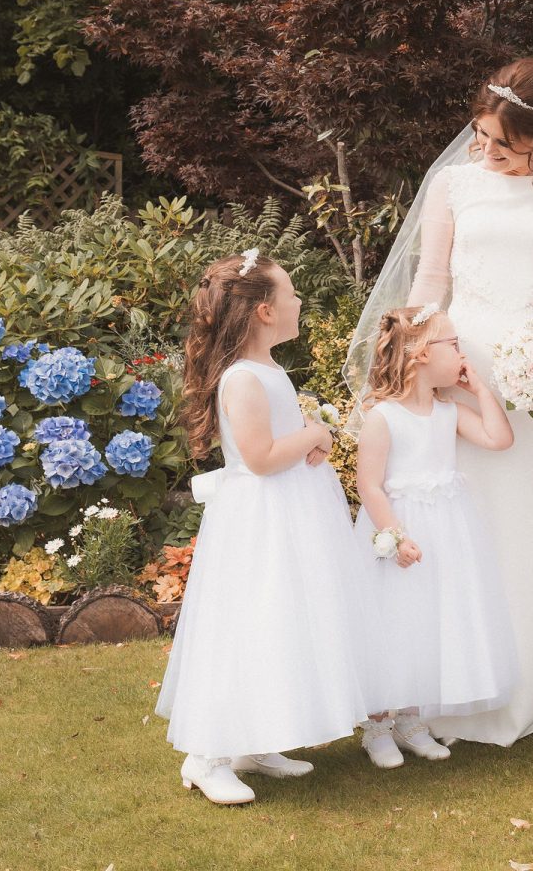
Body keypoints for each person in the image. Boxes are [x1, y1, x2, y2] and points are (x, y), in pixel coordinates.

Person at [346, 58, 533, 745]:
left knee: (531, 516)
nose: (484, 148)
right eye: (480, 133)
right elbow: (430, 276)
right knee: (459, 517)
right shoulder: (454, 184)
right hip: (458, 362)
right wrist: (417, 358)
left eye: (501, 141)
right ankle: (449, 687)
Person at [158, 250, 369, 805]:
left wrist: (306, 441)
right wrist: (315, 435)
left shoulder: (271, 370)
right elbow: (258, 456)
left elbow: (280, 442)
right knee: (248, 622)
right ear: (264, 312)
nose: (300, 300)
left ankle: (255, 740)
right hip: (261, 521)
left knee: (282, 620)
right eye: (292, 292)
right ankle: (205, 755)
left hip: (289, 514)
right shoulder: (243, 379)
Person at [351, 303, 519, 767]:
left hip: (447, 530)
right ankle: (378, 724)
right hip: (401, 530)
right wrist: (395, 535)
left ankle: (411, 718)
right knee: (393, 625)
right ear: (421, 354)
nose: (462, 353)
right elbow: (369, 485)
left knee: (427, 623)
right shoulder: (383, 417)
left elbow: (499, 438)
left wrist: (481, 389)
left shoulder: (449, 411)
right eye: (454, 344)